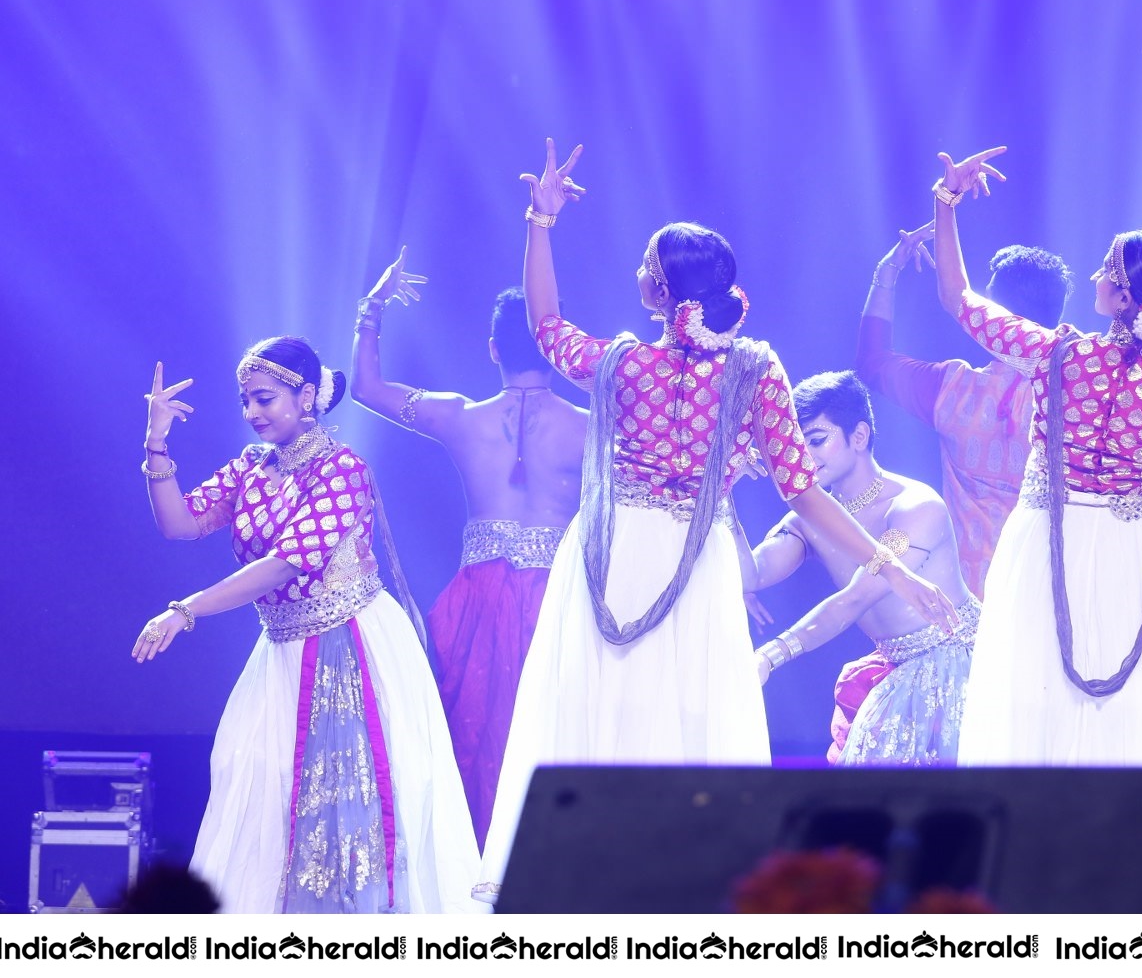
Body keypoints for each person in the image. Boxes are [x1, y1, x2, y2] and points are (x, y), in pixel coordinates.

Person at [476, 140, 957, 902]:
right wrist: (890, 565)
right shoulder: (754, 368)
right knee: (682, 707)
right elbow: (805, 491)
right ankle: (677, 879)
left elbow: (545, 324)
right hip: (690, 559)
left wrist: (542, 219)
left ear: (660, 290)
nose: (638, 271)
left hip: (614, 549)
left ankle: (594, 877)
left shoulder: (624, 362)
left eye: (645, 264)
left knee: (606, 703)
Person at [926, 147, 1142, 768]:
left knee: (1032, 719)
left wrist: (947, 203)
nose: (1092, 277)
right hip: (1129, 553)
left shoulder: (1059, 355)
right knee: (1126, 728)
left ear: (1123, 298)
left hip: (1044, 544)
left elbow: (959, 298)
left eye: (1102, 270)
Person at [136, 338, 481, 913]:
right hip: (283, 649)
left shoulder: (342, 469)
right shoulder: (252, 466)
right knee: (259, 788)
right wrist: (156, 441)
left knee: (347, 801)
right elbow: (180, 524)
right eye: (245, 400)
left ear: (306, 396)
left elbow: (286, 563)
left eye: (265, 398)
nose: (252, 413)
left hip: (348, 645)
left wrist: (186, 610)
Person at [351, 254, 585, 849]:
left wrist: (371, 310)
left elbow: (366, 388)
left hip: (477, 599)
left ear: (492, 349)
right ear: (558, 351)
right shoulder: (592, 426)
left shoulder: (458, 417)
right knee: (555, 739)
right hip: (558, 600)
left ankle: (472, 880)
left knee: (473, 741)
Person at [740, 370, 980, 765]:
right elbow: (750, 574)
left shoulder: (915, 508)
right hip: (897, 668)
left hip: (958, 663)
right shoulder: (806, 521)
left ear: (859, 436)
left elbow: (854, 600)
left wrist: (769, 656)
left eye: (816, 440)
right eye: (797, 445)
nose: (804, 456)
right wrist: (724, 483)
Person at [857, 226, 1072, 598]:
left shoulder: (953, 391)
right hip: (1049, 593)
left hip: (964, 597)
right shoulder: (1081, 400)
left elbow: (872, 362)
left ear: (992, 317)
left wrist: (886, 275)